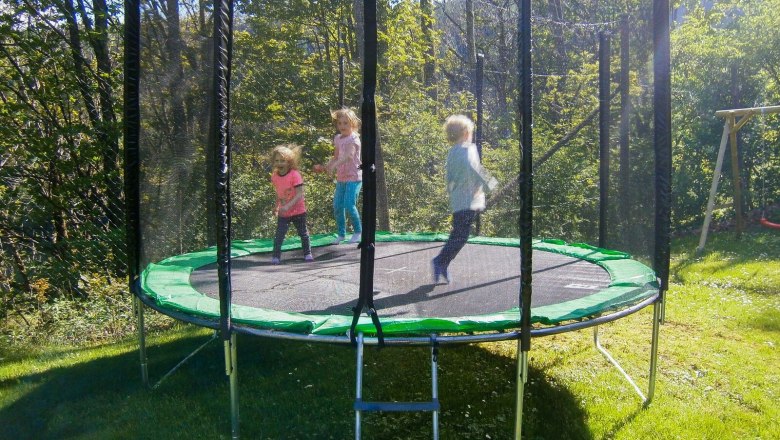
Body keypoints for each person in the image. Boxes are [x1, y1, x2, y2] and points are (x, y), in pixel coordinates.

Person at [432, 115, 497, 284]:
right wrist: (491, 183)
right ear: (466, 132)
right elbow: (475, 169)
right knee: (461, 235)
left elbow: (450, 178)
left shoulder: (452, 152)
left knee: (459, 233)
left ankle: (443, 263)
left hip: (460, 199)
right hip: (468, 199)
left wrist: (452, 192)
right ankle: (440, 261)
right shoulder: (467, 149)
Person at [323, 107, 363, 245]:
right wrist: (328, 166)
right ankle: (341, 234)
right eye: (340, 123)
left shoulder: (354, 139)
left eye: (345, 123)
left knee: (349, 204)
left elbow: (348, 156)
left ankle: (358, 232)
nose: (342, 126)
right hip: (342, 177)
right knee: (337, 205)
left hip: (354, 177)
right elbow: (336, 157)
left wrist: (334, 165)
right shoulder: (338, 139)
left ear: (352, 124)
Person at [270, 144, 313, 264]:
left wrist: (289, 205)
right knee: (279, 235)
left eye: (283, 161)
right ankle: (276, 256)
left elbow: (300, 193)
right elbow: (278, 192)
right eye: (277, 160)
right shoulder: (275, 176)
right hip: (284, 212)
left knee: (303, 233)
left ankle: (307, 253)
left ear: (289, 162)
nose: (280, 163)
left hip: (298, 210)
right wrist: (276, 206)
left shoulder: (294, 175)